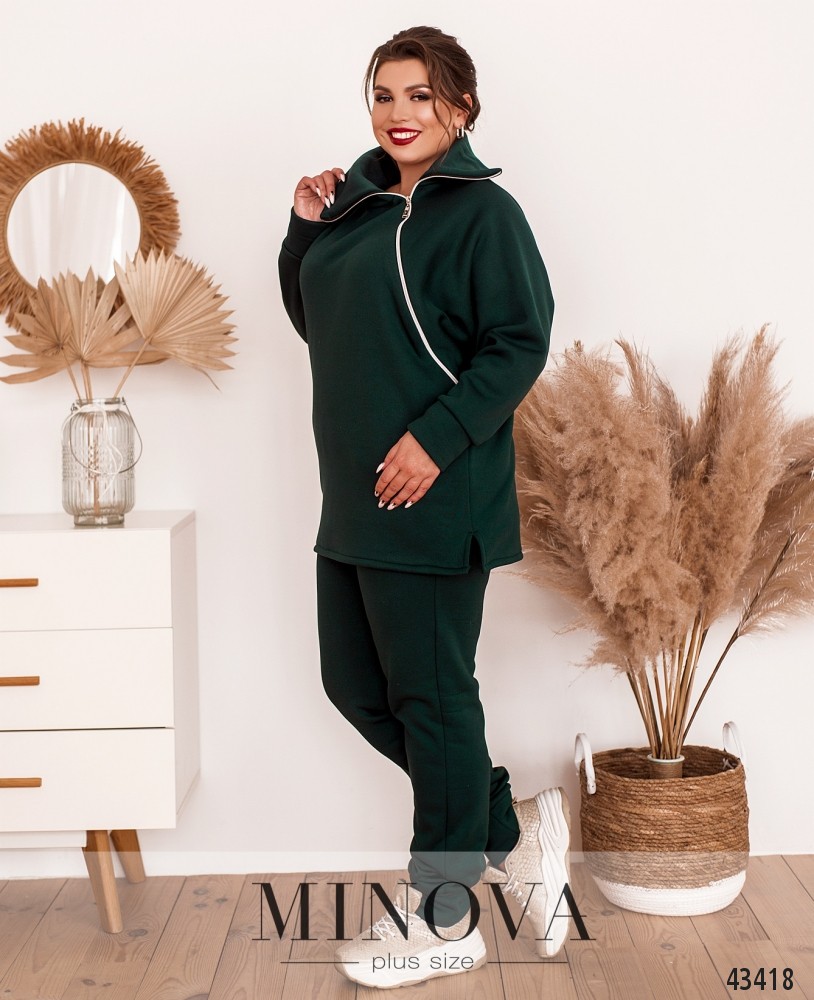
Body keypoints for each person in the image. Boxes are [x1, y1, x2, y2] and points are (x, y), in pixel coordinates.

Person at [278, 25, 570, 990]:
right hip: (353, 497)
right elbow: (319, 322)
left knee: (435, 702)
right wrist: (305, 230)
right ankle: (505, 828)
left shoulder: (485, 214)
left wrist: (437, 440)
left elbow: (519, 342)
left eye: (419, 95)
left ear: (462, 108)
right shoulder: (358, 205)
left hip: (436, 499)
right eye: (383, 95)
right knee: (356, 688)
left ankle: (445, 915)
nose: (398, 114)